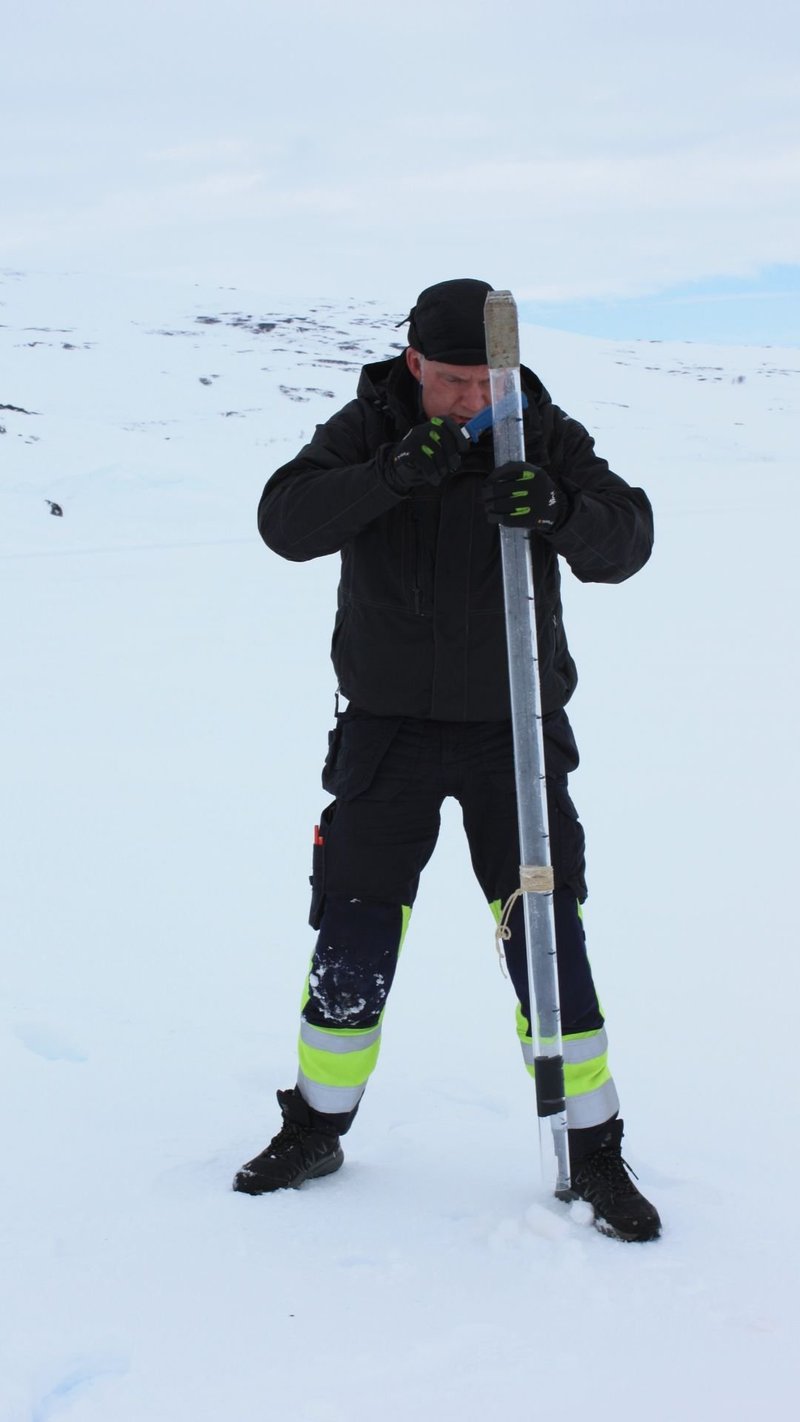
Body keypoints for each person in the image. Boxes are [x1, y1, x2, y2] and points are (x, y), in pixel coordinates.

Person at [235, 278, 661, 1242]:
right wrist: (389, 474)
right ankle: (315, 1127)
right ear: (415, 363)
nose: (475, 400)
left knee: (545, 937)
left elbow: (627, 541)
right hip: (387, 733)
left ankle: (594, 1150)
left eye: (488, 380)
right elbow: (285, 524)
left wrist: (556, 507)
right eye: (456, 382)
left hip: (513, 728)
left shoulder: (539, 430)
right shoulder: (368, 424)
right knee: (355, 934)